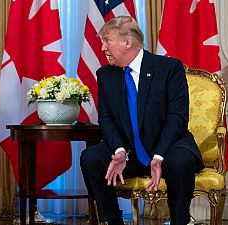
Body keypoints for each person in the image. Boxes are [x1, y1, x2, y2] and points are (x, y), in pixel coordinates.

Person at [80, 16, 204, 225]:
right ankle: (113, 221)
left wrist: (159, 155)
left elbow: (177, 118)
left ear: (127, 43)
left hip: (168, 147)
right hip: (129, 152)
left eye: (107, 41)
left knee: (181, 162)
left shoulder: (169, 68)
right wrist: (119, 150)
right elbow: (106, 119)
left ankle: (180, 221)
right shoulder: (105, 75)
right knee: (91, 158)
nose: (102, 48)